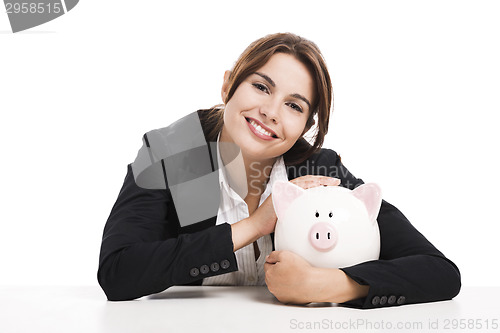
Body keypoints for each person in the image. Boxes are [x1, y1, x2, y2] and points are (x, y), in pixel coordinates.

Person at [97, 32, 461, 309]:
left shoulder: (319, 169)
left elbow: (439, 272)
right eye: (260, 87)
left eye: (293, 105)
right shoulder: (168, 153)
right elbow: (117, 274)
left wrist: (331, 285)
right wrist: (255, 224)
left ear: (305, 126)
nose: (271, 111)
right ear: (228, 85)